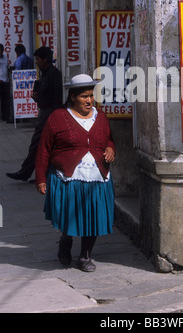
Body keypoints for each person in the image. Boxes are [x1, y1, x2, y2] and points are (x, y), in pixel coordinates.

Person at [34, 74, 116, 272]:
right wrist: (41, 178)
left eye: (91, 95)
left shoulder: (101, 116)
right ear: (72, 97)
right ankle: (66, 240)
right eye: (84, 97)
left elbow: (109, 139)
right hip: (68, 177)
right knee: (68, 217)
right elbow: (43, 149)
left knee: (93, 218)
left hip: (97, 177)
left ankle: (85, 256)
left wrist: (111, 148)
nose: (89, 100)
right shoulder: (58, 118)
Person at [6, 47, 63, 182]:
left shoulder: (54, 75)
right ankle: (36, 174)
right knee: (40, 145)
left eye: (38, 59)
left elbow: (56, 99)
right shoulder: (44, 74)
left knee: (38, 144)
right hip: (44, 113)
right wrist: (36, 96)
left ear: (45, 59)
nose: (36, 62)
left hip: (49, 115)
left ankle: (27, 173)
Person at [0, 44, 10, 122]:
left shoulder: (5, 58)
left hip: (5, 82)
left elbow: (7, 68)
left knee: (5, 101)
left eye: (1, 50)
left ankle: (5, 116)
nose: (0, 52)